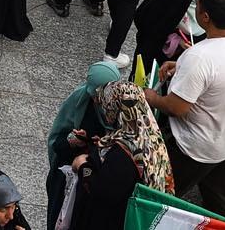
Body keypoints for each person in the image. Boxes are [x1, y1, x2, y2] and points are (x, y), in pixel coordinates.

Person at [145, 0, 225, 216]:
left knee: (157, 196)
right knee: (223, 209)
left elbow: (176, 107)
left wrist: (152, 97)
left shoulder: (200, 57)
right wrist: (182, 67)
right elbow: (221, 74)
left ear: (205, 17)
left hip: (197, 146)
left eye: (197, 7)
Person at [65, 81, 176, 230]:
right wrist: (90, 143)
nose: (104, 109)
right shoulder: (150, 136)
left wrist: (82, 165)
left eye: (106, 104)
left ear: (116, 107)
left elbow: (101, 192)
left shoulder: (126, 151)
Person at [47, 61, 125, 230]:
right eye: (94, 96)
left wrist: (99, 145)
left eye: (100, 96)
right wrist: (74, 141)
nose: (97, 100)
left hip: (94, 184)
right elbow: (57, 141)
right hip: (67, 176)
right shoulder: (80, 100)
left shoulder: (123, 111)